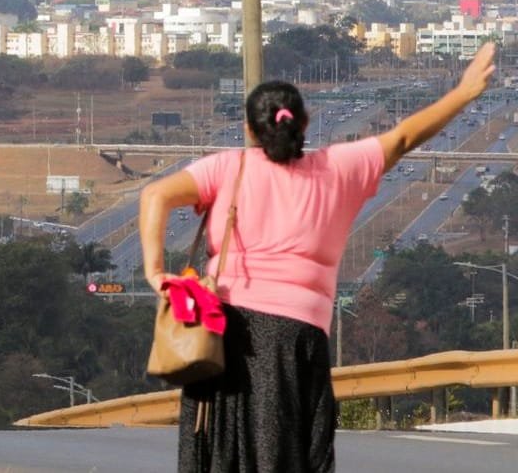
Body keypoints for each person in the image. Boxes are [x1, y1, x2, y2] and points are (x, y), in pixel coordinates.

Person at [139, 42, 496, 472]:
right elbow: (403, 136)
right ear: (303, 124)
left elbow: (155, 194)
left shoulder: (227, 168)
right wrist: (463, 92)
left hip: (222, 333)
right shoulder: (339, 168)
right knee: (288, 450)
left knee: (220, 451)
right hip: (298, 335)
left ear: (250, 130)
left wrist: (155, 271)